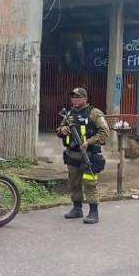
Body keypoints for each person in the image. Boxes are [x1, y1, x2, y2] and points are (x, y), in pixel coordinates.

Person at [57, 87, 109, 224]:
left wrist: (89, 142)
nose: (74, 100)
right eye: (73, 97)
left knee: (90, 183)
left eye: (77, 97)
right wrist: (62, 129)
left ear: (85, 99)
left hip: (89, 155)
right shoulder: (69, 114)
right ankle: (77, 208)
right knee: (73, 183)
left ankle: (93, 212)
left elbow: (104, 133)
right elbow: (59, 130)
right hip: (72, 155)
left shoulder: (94, 113)